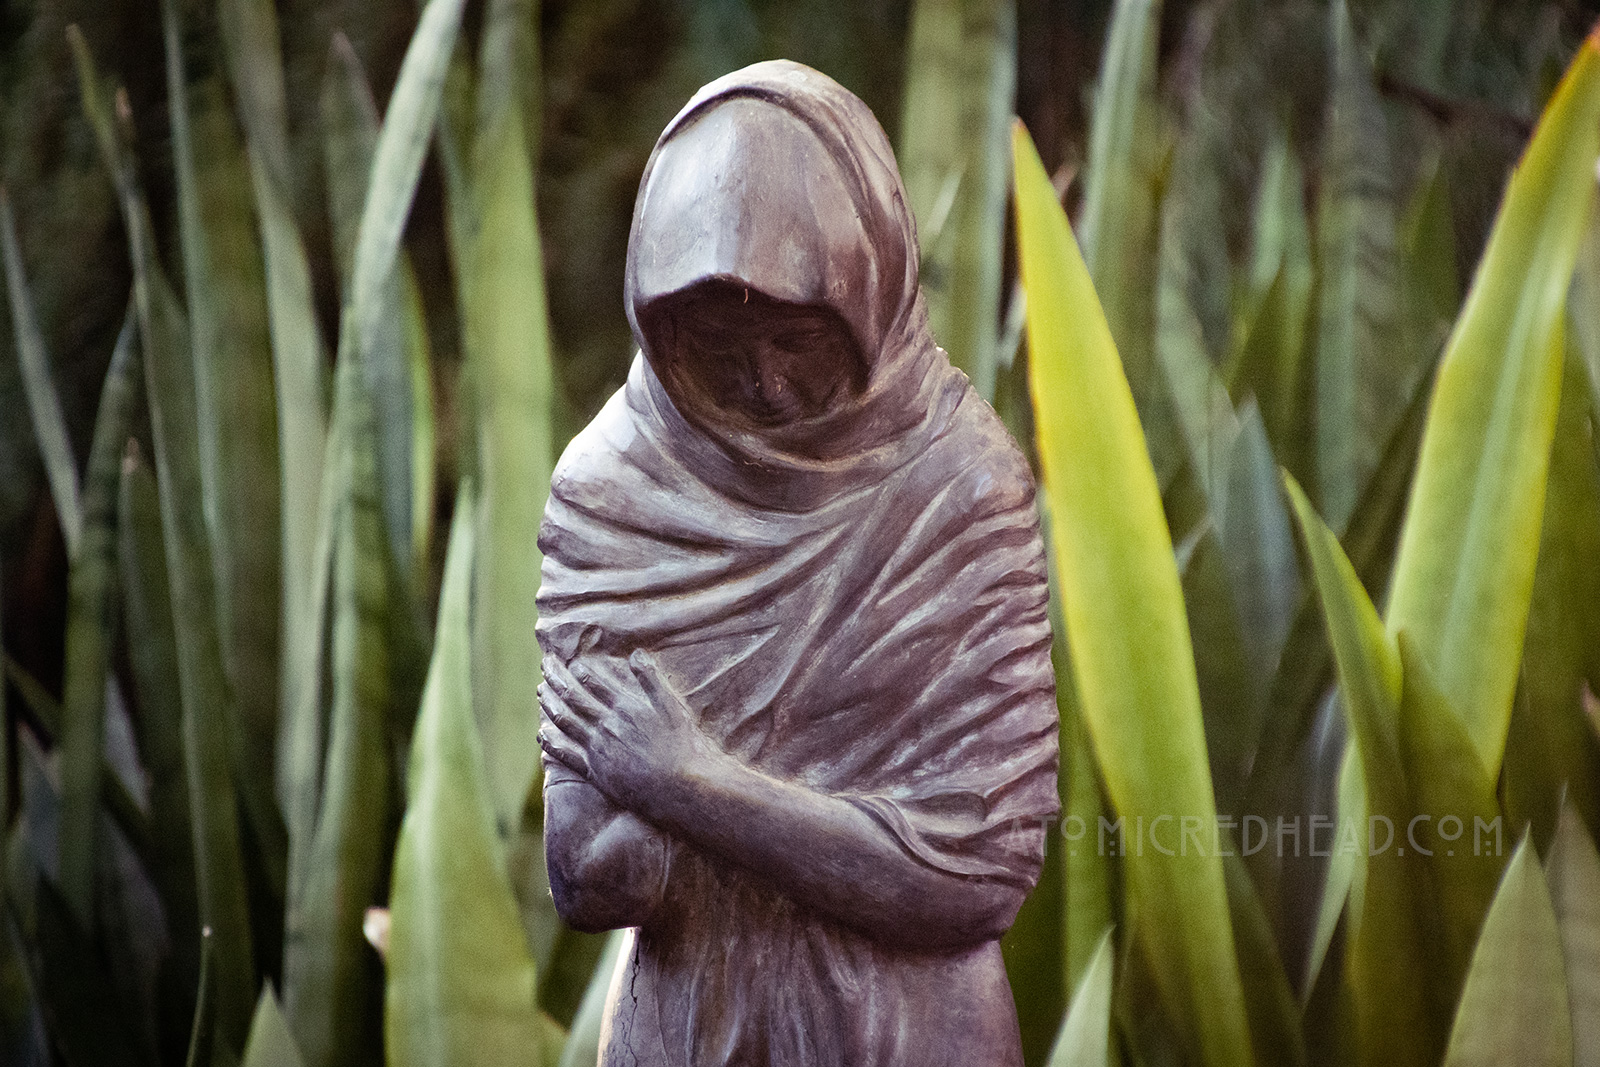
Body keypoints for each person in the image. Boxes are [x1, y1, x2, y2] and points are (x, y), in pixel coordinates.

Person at [535, 59, 1059, 1067]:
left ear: (870, 295)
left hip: (910, 1032)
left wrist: (687, 782)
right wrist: (664, 835)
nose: (767, 386)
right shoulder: (610, 490)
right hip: (687, 1027)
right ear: (658, 325)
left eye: (795, 339)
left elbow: (974, 873)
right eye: (723, 350)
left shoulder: (958, 487)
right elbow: (588, 875)